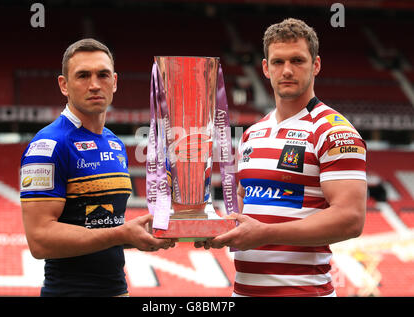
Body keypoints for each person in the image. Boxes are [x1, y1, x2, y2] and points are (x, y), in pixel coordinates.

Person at [196, 18, 367, 297]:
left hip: (305, 291)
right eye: (277, 62)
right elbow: (243, 204)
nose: (287, 70)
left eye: (298, 60)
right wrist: (215, 227)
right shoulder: (253, 133)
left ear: (316, 65)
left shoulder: (334, 131)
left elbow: (351, 218)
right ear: (265, 68)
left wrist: (266, 233)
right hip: (243, 291)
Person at [20, 38, 175, 297]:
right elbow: (39, 240)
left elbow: (101, 227)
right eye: (83, 76)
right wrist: (120, 233)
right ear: (63, 85)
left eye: (102, 75)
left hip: (117, 290)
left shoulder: (114, 142)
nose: (94, 85)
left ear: (114, 82)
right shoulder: (48, 145)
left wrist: (136, 236)